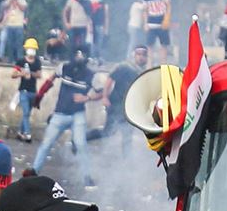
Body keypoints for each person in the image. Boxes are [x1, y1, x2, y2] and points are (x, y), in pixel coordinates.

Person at [32, 51, 98, 187]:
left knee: (81, 144)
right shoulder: (64, 67)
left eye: (82, 55)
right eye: (77, 54)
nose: (79, 57)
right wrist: (40, 95)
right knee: (46, 144)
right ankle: (33, 173)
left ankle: (87, 177)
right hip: (60, 114)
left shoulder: (91, 74)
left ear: (86, 57)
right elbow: (50, 79)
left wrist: (87, 98)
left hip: (78, 115)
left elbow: (102, 92)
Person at [102, 45, 152, 150]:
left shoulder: (144, 72)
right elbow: (109, 80)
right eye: (138, 54)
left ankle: (126, 158)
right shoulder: (124, 66)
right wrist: (105, 97)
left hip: (130, 109)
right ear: (133, 55)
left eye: (144, 55)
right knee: (108, 132)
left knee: (127, 136)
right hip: (116, 104)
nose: (141, 57)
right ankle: (86, 139)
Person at [13, 38, 44, 143]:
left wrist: (30, 73)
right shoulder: (21, 61)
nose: (31, 51)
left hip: (33, 92)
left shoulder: (37, 62)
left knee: (27, 114)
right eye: (30, 48)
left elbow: (39, 75)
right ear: (26, 49)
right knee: (26, 112)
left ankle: (20, 132)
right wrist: (22, 73)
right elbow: (13, 74)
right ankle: (27, 133)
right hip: (23, 91)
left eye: (33, 49)